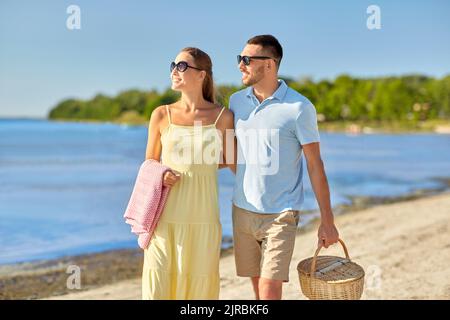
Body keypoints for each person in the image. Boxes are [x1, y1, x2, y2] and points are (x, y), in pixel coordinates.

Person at [228, 35, 339, 300]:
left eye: (246, 60)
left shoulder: (299, 108)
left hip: (281, 214)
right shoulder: (235, 102)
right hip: (242, 210)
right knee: (256, 286)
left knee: (269, 288)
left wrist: (327, 220)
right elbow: (230, 152)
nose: (240, 66)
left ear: (269, 64)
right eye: (239, 59)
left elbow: (315, 165)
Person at [142, 47, 234, 299]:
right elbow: (149, 162)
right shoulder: (161, 114)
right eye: (173, 65)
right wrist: (160, 174)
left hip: (203, 218)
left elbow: (232, 161)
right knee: (158, 288)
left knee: (198, 292)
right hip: (164, 218)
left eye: (182, 66)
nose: (174, 71)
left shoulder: (223, 117)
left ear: (201, 75)